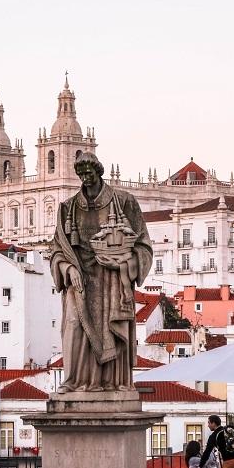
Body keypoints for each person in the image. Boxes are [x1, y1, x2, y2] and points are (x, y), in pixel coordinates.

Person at [50, 152, 152, 393]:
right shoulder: (67, 208)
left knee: (110, 330)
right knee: (74, 325)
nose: (85, 179)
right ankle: (74, 381)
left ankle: (112, 383)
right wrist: (68, 268)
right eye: (81, 175)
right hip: (80, 279)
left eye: (89, 173)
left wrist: (124, 264)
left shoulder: (124, 202)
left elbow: (143, 246)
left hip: (113, 280)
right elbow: (57, 251)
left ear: (99, 172)